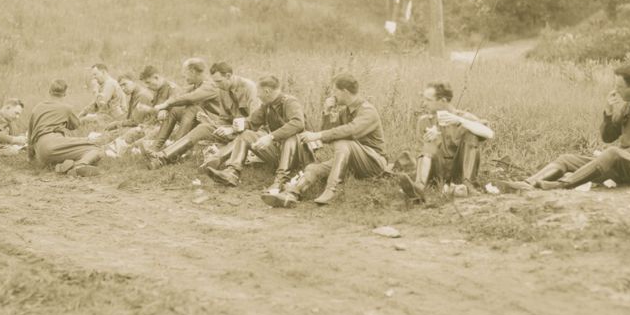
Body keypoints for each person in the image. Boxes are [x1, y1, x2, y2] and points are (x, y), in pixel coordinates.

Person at [508, 64, 630, 191]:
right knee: (566, 159)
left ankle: (562, 185)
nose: (616, 91)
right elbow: (607, 138)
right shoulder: (628, 107)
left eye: (620, 87)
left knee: (612, 153)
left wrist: (622, 153)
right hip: (621, 166)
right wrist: (608, 112)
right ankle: (528, 183)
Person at [263, 73, 387, 207]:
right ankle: (292, 194)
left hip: (374, 162)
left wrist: (318, 135)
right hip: (351, 161)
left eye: (335, 91)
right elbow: (330, 136)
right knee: (313, 168)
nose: (333, 95)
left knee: (343, 142)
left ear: (344, 92)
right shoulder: (345, 111)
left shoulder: (368, 110)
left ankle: (332, 189)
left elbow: (351, 131)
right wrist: (327, 113)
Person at [203, 74, 309, 192]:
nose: (257, 96)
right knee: (246, 134)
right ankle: (232, 173)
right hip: (279, 152)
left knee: (291, 137)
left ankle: (280, 181)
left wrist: (270, 137)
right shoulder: (267, 106)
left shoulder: (290, 102)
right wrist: (233, 128)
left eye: (259, 92)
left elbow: (298, 124)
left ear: (267, 91)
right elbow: (252, 122)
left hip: (297, 155)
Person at [148, 61, 258, 168]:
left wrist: (232, 129)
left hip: (248, 132)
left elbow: (255, 121)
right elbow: (224, 118)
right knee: (203, 127)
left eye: (219, 81)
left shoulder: (249, 88)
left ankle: (221, 159)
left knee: (195, 111)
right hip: (230, 129)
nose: (217, 85)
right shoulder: (222, 88)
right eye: (215, 82)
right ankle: (165, 156)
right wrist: (215, 124)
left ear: (228, 76)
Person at [397, 81, 495, 202]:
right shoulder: (424, 121)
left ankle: (468, 184)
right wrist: (433, 141)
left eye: (428, 100)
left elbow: (489, 134)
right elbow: (421, 154)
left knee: (471, 134)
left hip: (460, 170)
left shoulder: (462, 116)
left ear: (442, 101)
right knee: (429, 141)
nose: (423, 104)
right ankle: (418, 187)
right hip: (436, 171)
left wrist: (459, 121)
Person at [146, 58, 222, 163]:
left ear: (193, 71)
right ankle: (155, 148)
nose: (183, 77)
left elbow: (190, 98)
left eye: (185, 73)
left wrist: (166, 104)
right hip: (201, 120)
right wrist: (165, 108)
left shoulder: (210, 85)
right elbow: (179, 95)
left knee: (192, 107)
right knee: (175, 109)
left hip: (215, 123)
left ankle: (173, 152)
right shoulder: (196, 85)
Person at [26, 79, 105, 176]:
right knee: (96, 149)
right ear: (65, 93)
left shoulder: (37, 107)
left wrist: (30, 157)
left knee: (65, 151)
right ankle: (79, 165)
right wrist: (86, 118)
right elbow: (75, 125)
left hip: (40, 152)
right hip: (54, 142)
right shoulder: (66, 108)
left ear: (49, 91)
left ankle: (62, 166)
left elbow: (30, 135)